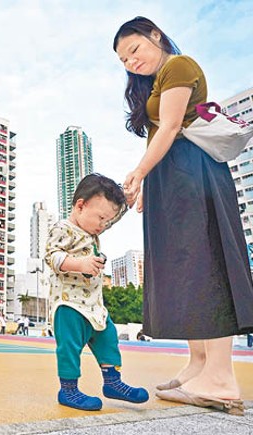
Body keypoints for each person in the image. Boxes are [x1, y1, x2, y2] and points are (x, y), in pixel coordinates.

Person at [114, 17, 253, 415]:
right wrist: (151, 183)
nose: (130, 62)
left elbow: (173, 124)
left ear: (155, 35)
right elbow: (162, 132)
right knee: (190, 269)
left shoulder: (179, 65)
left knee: (206, 263)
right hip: (176, 178)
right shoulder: (156, 82)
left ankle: (222, 377)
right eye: (123, 59)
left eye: (134, 49)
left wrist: (140, 173)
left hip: (195, 173)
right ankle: (200, 365)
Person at [45, 174, 148, 411]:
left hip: (94, 305)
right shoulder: (64, 228)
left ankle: (113, 382)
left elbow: (114, 213)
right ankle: (68, 390)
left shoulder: (92, 232)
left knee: (109, 338)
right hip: (69, 305)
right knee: (69, 348)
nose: (103, 225)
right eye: (101, 218)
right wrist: (79, 264)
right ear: (80, 205)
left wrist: (127, 198)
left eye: (108, 221)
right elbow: (52, 256)